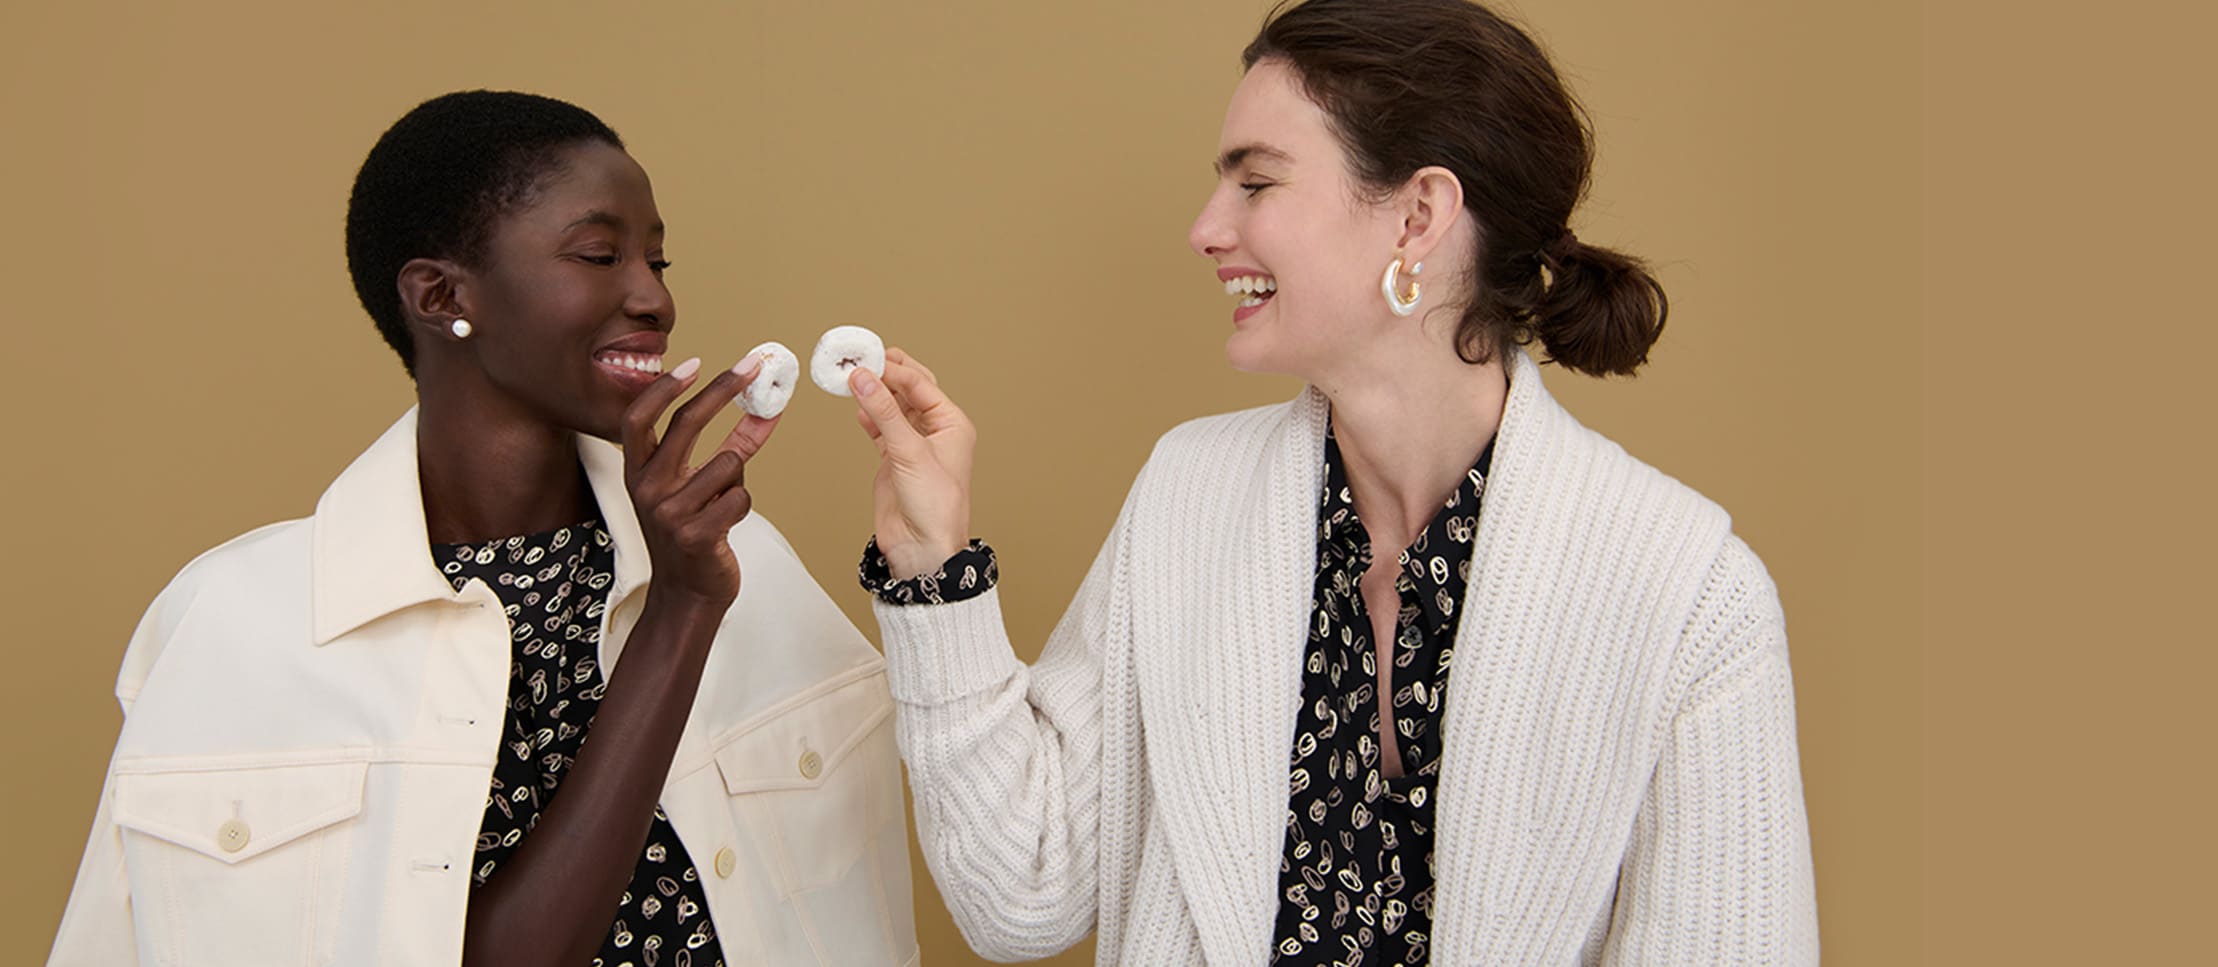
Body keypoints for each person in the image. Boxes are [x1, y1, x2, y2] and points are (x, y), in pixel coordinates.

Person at [845, 1, 1817, 962]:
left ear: (1420, 214)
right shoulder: (1188, 496)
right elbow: (1025, 893)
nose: (1205, 229)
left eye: (1256, 182)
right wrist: (933, 572)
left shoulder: (1692, 600)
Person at [48, 90, 918, 967]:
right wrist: (681, 612)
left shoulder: (746, 563)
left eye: (657, 259)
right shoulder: (230, 624)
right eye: (599, 254)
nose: (654, 297)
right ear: (441, 296)